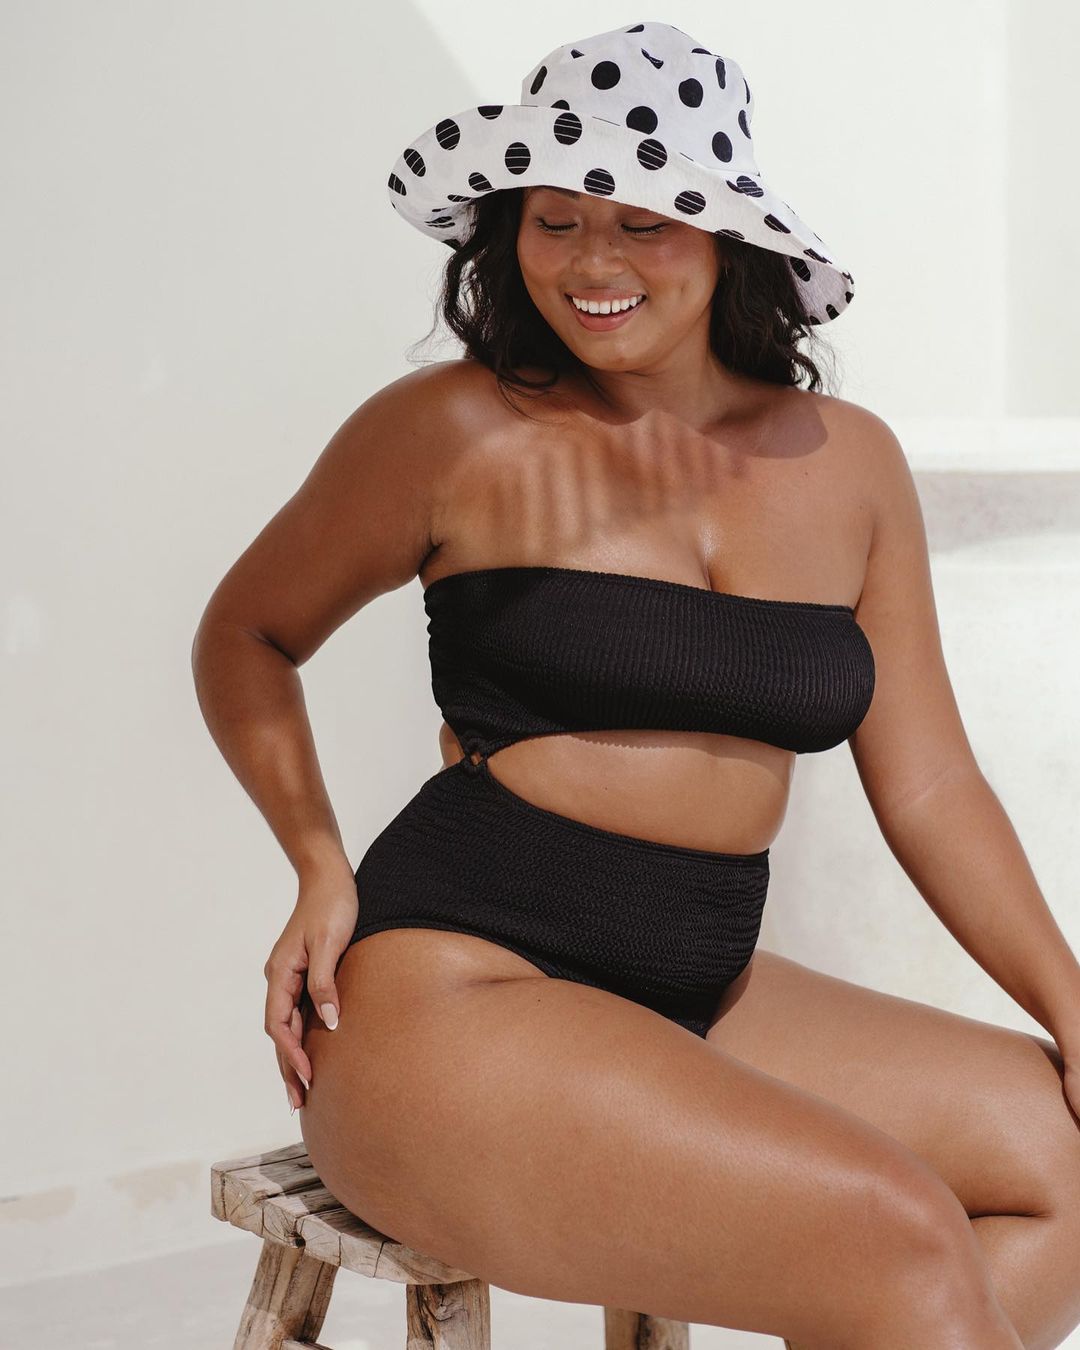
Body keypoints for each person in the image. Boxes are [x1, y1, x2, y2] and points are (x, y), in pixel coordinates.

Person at [192, 21, 1080, 1348]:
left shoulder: (847, 464)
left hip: (693, 980)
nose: (591, 263)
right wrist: (318, 862)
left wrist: (1071, 1005)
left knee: (1059, 1160)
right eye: (554, 221)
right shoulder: (456, 428)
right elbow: (246, 634)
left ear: (726, 237)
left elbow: (934, 784)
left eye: (643, 222)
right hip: (454, 996)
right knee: (890, 1224)